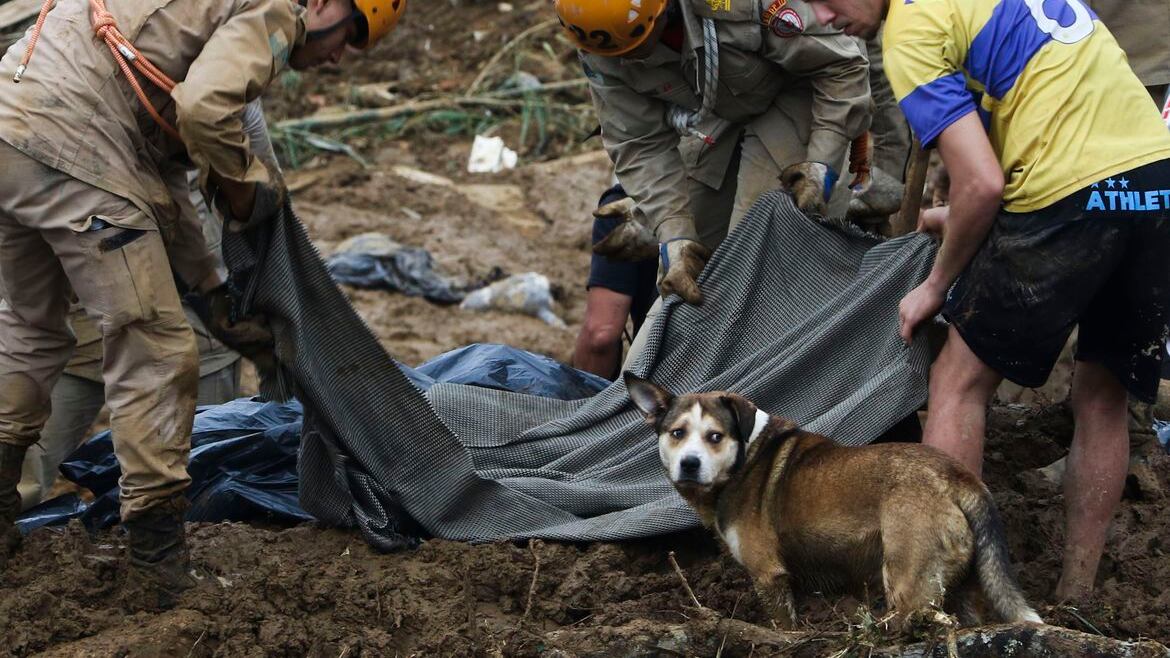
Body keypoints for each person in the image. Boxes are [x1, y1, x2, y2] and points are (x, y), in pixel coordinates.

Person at [0, 0, 405, 607]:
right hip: (75, 148)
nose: (340, 58)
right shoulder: (279, 9)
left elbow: (160, 185)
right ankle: (157, 566)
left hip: (14, 127)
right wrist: (250, 192)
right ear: (326, 5)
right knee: (157, 352)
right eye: (353, 36)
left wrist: (212, 293)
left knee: (32, 332)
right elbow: (204, 110)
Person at [803, 0, 1170, 602]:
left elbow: (984, 183)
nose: (820, 16)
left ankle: (944, 595)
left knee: (957, 381)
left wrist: (935, 284)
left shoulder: (911, 27)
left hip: (1067, 194)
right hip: (1155, 183)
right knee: (1101, 398)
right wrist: (968, 216)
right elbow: (1049, 122)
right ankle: (1076, 597)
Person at [15, 100, 277, 508]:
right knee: (23, 465)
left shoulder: (213, 61)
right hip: (82, 265)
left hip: (190, 299)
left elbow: (252, 163)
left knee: (206, 473)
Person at [555, 0, 871, 306]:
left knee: (755, 253)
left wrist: (822, 162)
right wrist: (674, 234)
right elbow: (639, 144)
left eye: (638, 46)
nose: (630, 60)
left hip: (799, 91)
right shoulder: (600, 44)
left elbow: (842, 64)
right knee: (692, 267)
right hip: (716, 107)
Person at [572, 184, 658, 380]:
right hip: (737, 378)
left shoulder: (625, 207)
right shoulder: (739, 209)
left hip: (663, 389)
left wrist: (586, 406)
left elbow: (601, 334)